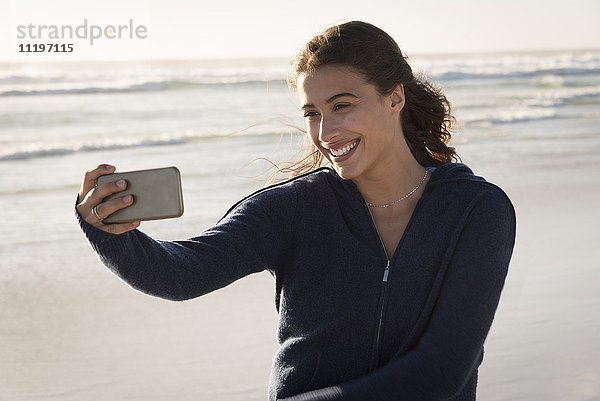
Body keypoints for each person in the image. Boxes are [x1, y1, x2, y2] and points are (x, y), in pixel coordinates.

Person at [76, 21, 516, 401]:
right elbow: (182, 273)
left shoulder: (475, 210)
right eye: (312, 113)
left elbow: (441, 370)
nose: (325, 131)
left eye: (342, 105)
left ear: (395, 97)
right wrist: (111, 234)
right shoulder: (293, 209)